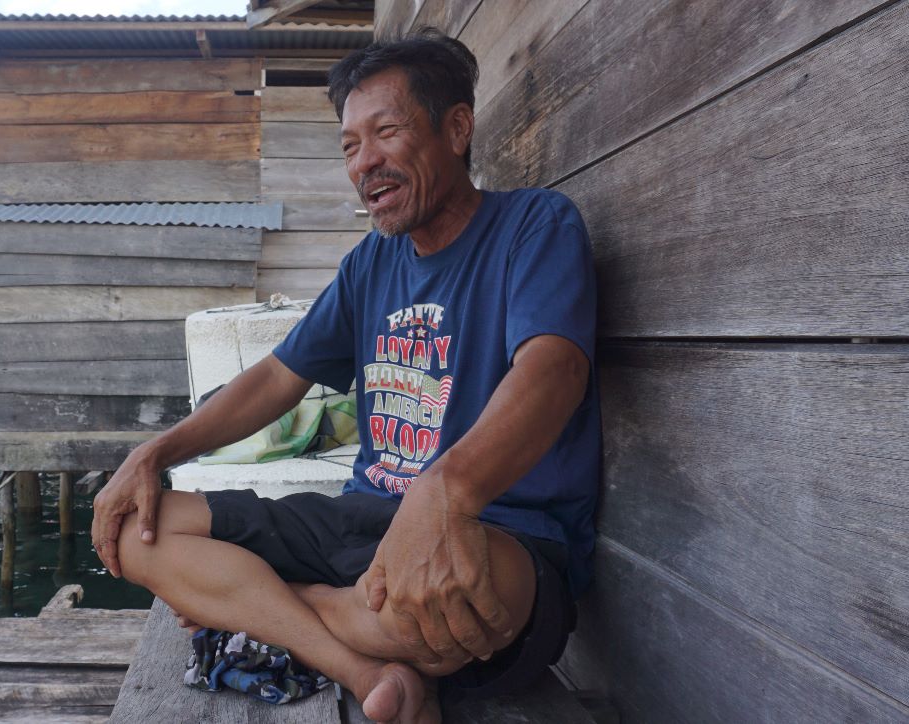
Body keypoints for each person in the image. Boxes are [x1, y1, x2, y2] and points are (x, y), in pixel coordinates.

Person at [91, 29, 599, 724]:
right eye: (350, 146)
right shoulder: (369, 265)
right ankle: (361, 667)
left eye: (386, 133)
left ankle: (259, 607)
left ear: (456, 129)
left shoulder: (534, 226)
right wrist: (155, 453)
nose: (365, 163)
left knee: (437, 617)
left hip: (498, 532)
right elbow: (277, 378)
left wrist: (444, 493)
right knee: (136, 533)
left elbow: (554, 370)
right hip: (361, 519)